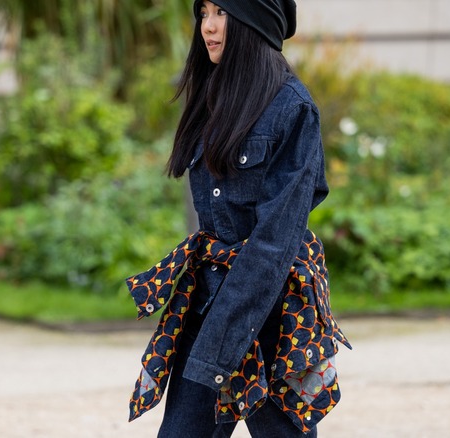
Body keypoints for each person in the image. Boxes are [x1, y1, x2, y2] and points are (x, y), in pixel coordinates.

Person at [125, 1, 352, 436]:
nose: (207, 27)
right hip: (208, 298)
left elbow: (274, 241)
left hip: (272, 314)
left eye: (221, 12)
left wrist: (223, 339)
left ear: (254, 21)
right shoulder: (213, 96)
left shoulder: (293, 109)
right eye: (203, 11)